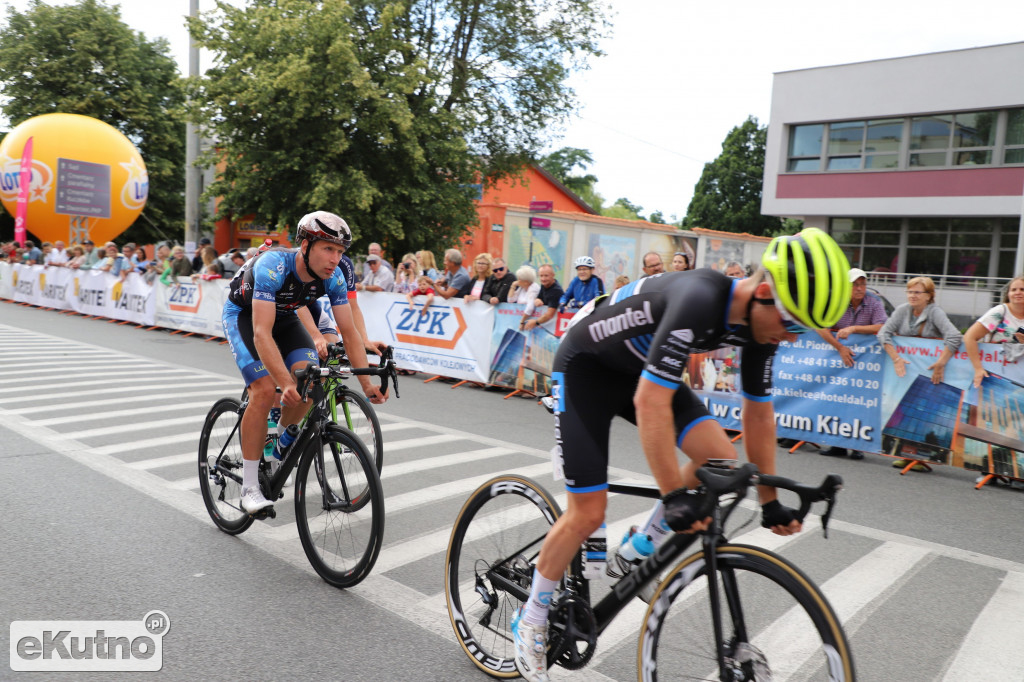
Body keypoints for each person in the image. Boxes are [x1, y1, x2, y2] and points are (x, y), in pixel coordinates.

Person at [511, 228, 851, 682]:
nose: (789, 339)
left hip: (638, 372)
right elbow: (649, 403)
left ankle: (639, 546)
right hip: (586, 368)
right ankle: (531, 618)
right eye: (792, 326)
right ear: (765, 294)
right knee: (589, 511)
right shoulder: (700, 297)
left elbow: (759, 416)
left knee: (722, 461)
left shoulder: (757, 329)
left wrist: (769, 501)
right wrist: (673, 494)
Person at [222, 210, 387, 514]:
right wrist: (283, 383)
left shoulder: (334, 277)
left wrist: (366, 384)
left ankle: (282, 438)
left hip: (285, 319)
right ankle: (249, 487)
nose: (335, 259)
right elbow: (260, 333)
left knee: (311, 378)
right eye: (328, 248)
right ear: (306, 245)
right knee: (263, 389)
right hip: (244, 316)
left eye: (339, 251)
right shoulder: (274, 265)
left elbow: (348, 332)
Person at [877, 276, 963, 471]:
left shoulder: (935, 312)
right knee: (906, 410)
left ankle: (921, 458)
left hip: (931, 371)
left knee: (925, 412)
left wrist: (941, 363)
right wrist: (896, 357)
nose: (912, 296)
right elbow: (883, 333)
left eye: (917, 292)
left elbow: (955, 336)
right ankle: (907, 455)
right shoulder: (902, 310)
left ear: (929, 296)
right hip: (908, 368)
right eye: (909, 291)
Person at [814, 267, 889, 459]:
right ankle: (837, 445)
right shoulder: (835, 302)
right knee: (835, 397)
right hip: (838, 357)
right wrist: (839, 347)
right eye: (855, 284)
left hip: (864, 361)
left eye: (863, 284)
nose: (860, 288)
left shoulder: (874, 301)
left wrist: (854, 328)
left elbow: (883, 326)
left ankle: (857, 445)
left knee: (859, 400)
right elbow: (820, 326)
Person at [964, 275, 1024, 388]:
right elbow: (969, 337)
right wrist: (978, 368)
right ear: (1008, 294)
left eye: (1022, 289)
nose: (1018, 292)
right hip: (995, 374)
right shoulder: (1000, 311)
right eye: (1014, 289)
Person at [521, 264, 564, 331]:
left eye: (546, 276)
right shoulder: (544, 285)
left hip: (553, 328)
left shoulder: (556, 291)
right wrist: (537, 300)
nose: (543, 279)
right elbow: (538, 298)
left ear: (553, 275)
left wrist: (535, 322)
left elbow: (549, 315)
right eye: (541, 276)